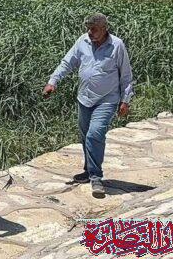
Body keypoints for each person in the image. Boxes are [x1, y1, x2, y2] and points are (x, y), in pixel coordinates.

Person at [42, 13, 134, 198]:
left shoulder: (117, 45)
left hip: (107, 99)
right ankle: (88, 169)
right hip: (84, 98)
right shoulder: (82, 41)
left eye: (94, 29)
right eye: (88, 29)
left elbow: (125, 75)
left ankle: (96, 177)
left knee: (95, 134)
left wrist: (125, 100)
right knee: (85, 137)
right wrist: (53, 81)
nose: (90, 33)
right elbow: (68, 62)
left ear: (104, 29)